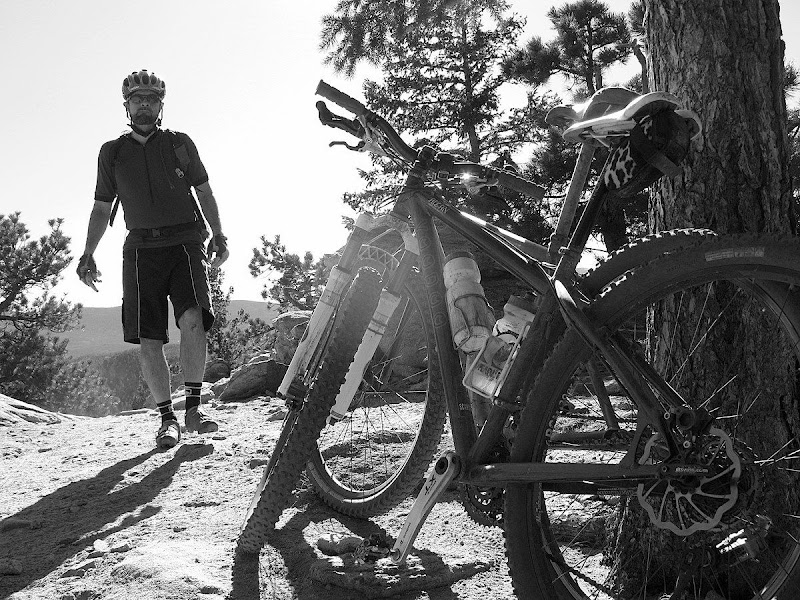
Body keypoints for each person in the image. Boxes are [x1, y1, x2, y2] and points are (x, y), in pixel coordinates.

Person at [77, 69, 229, 449]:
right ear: (126, 106)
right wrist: (88, 253)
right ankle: (167, 420)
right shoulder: (112, 153)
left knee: (193, 319)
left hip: (184, 242)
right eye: (137, 99)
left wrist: (219, 233)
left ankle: (193, 410)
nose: (144, 104)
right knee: (149, 337)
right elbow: (101, 208)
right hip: (141, 248)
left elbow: (205, 192)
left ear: (161, 105)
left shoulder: (179, 143)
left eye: (151, 99)